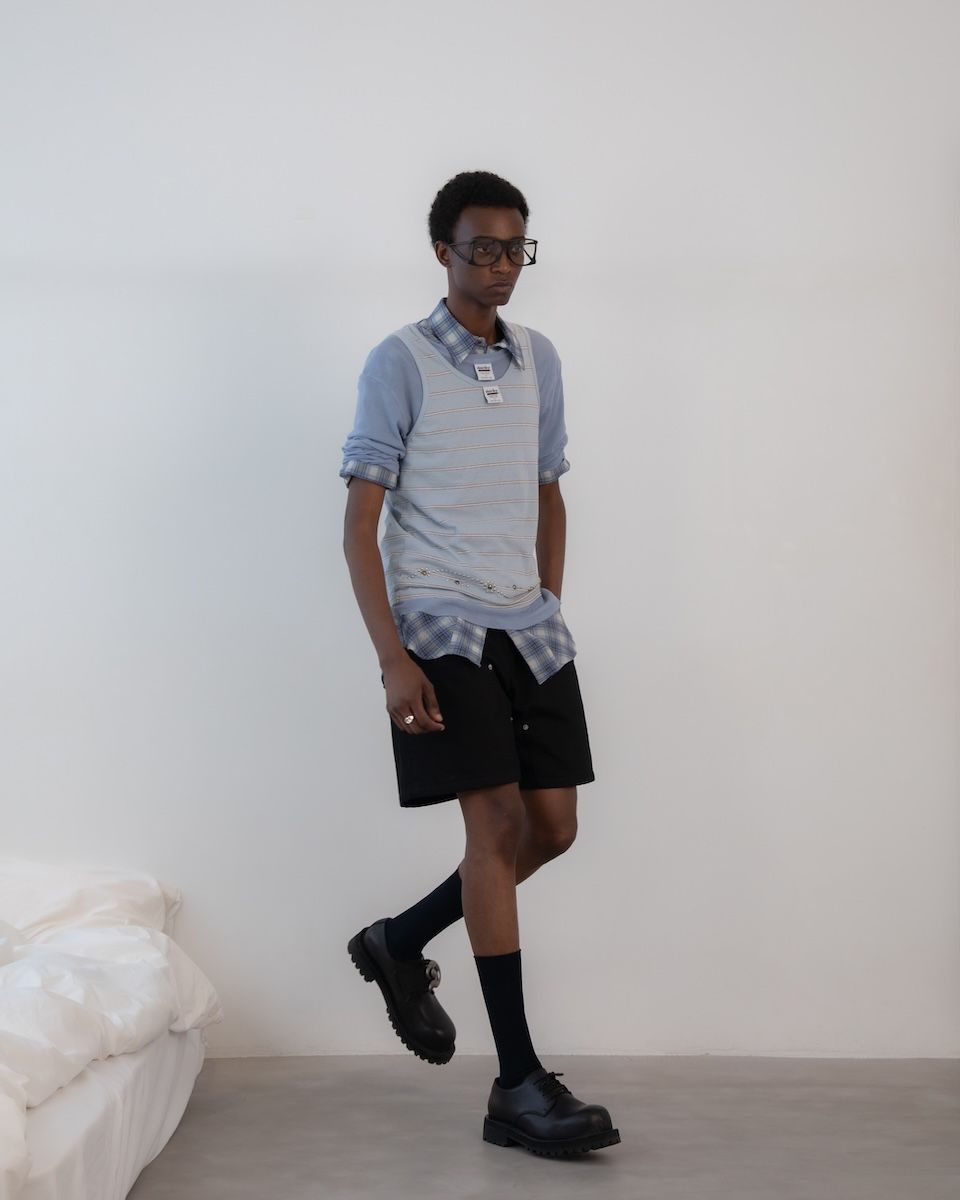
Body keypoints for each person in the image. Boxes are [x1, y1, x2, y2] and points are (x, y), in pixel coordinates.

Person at [340, 170, 620, 1157]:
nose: (502, 266)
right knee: (495, 824)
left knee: (553, 828)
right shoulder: (400, 362)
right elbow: (360, 527)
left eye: (515, 249)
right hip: (439, 623)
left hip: (527, 626)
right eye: (482, 249)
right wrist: (392, 659)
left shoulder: (540, 358)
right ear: (442, 252)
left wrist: (548, 603)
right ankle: (517, 1083)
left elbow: (548, 492)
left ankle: (398, 940)